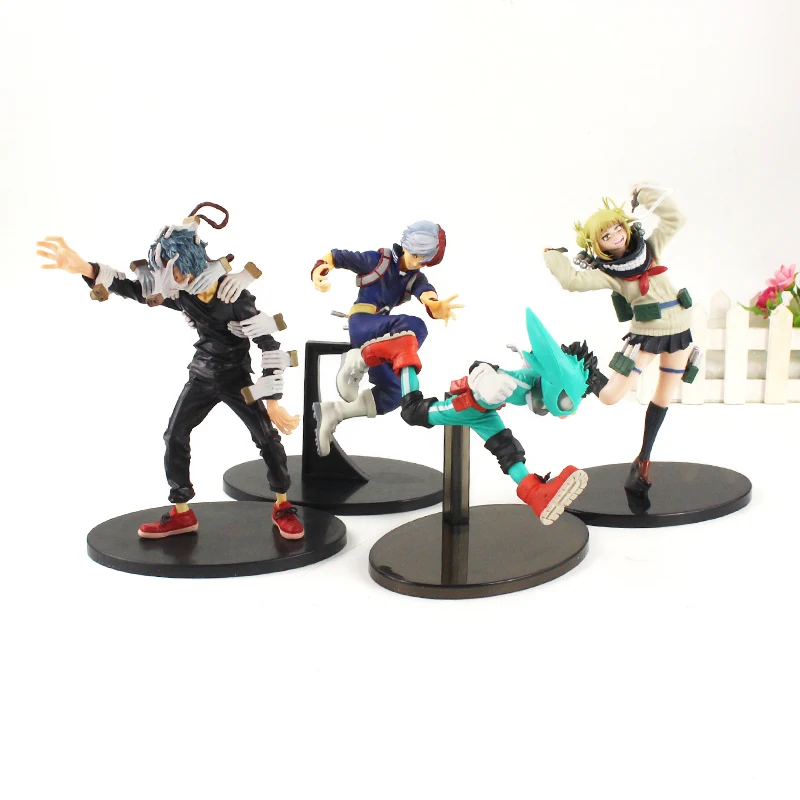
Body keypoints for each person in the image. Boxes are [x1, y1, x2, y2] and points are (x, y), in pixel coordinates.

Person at [37, 206, 304, 539]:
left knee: (266, 437)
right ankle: (181, 511)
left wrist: (273, 400)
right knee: (175, 435)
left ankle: (282, 505)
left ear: (187, 265)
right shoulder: (182, 294)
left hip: (236, 377)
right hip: (202, 374)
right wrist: (86, 269)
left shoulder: (235, 298)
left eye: (171, 271)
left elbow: (269, 343)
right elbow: (135, 290)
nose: (166, 281)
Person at [375, 308, 606, 525]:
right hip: (466, 405)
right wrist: (487, 380)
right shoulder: (522, 381)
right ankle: (403, 351)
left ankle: (537, 494)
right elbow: (479, 366)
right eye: (565, 401)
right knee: (412, 411)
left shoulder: (536, 380)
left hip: (485, 414)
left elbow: (532, 373)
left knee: (508, 450)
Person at [543, 186, 697, 494]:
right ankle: (585, 365)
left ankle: (644, 459)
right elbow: (573, 281)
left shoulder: (651, 249)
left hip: (680, 331)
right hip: (648, 335)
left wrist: (644, 195)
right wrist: (553, 256)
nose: (615, 236)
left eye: (617, 228)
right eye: (605, 235)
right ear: (597, 245)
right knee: (611, 396)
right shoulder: (610, 274)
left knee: (665, 396)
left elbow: (676, 219)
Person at [310, 220, 462, 456]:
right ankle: (358, 359)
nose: (417, 262)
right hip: (363, 324)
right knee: (415, 326)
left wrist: (434, 305)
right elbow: (337, 256)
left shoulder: (414, 278)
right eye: (416, 255)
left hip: (381, 341)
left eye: (424, 260)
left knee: (393, 392)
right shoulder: (378, 261)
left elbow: (426, 293)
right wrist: (319, 271)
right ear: (407, 245)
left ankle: (335, 412)